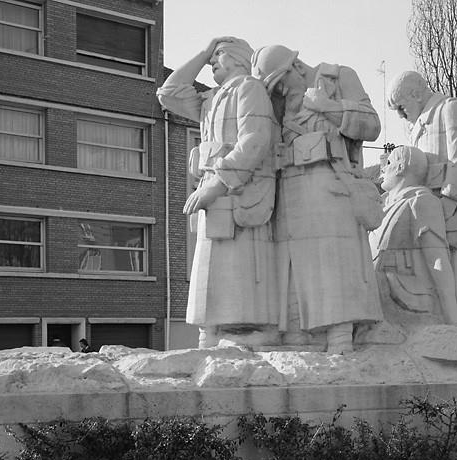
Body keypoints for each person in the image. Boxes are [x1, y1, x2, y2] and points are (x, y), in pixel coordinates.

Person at [251, 45, 384, 354]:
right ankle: (301, 336)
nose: (280, 92)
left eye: (281, 82)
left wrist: (328, 107)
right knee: (294, 267)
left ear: (296, 66)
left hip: (330, 182)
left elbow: (372, 125)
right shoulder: (280, 103)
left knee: (333, 261)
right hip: (290, 188)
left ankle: (340, 335)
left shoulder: (337, 78)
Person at [157, 37, 279, 348]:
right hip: (213, 190)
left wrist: (218, 184)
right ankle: (211, 331)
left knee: (238, 265)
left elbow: (255, 141)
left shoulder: (249, 89)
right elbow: (168, 93)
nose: (213, 61)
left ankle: (245, 331)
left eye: (219, 54)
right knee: (209, 266)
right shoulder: (210, 98)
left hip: (238, 191)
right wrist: (204, 50)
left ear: (238, 59)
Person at [386, 71, 457, 323]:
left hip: (456, 209)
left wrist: (447, 206)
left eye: (401, 107)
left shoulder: (452, 109)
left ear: (415, 93)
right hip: (429, 211)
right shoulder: (418, 126)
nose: (400, 115)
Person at [369, 146, 457, 325]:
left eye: (388, 163)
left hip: (403, 293)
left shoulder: (421, 201)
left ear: (401, 166)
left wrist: (453, 319)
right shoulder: (382, 206)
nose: (383, 169)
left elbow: (436, 260)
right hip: (376, 288)